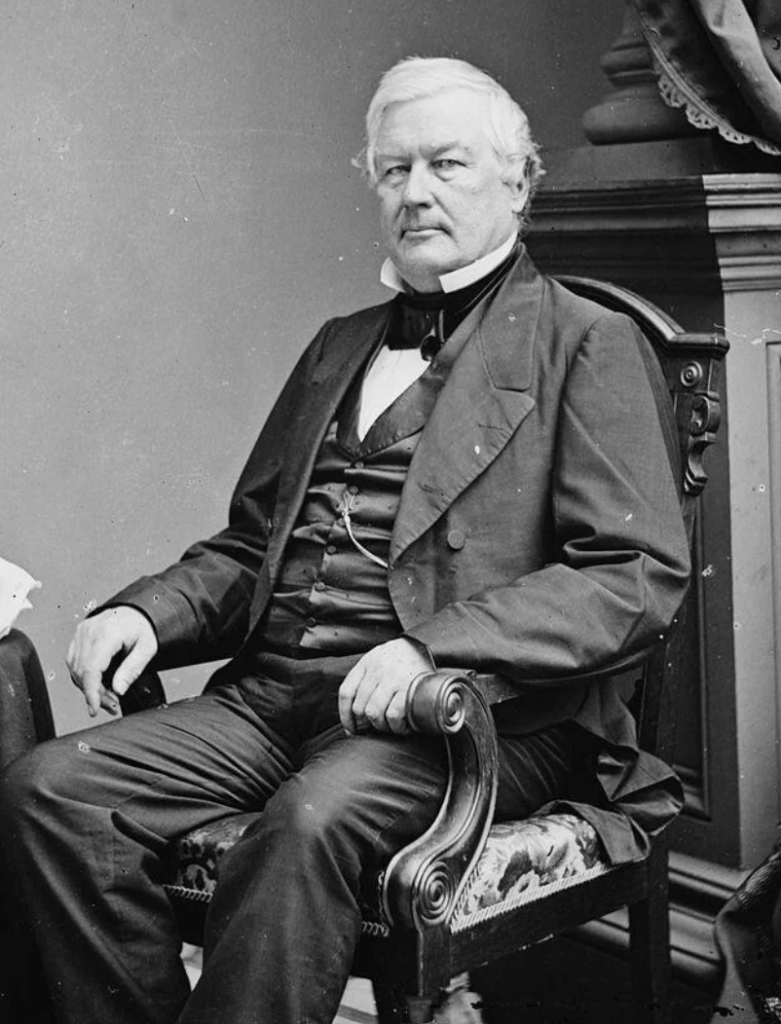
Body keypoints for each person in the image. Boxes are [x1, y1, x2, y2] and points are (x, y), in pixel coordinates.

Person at [0, 57, 691, 1024]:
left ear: (518, 181)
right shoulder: (340, 343)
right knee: (48, 792)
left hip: (466, 723)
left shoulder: (583, 341)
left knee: (305, 827)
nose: (415, 193)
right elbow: (252, 547)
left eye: (446, 165)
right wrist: (144, 611)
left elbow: (632, 578)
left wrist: (431, 650)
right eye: (392, 170)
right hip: (276, 699)